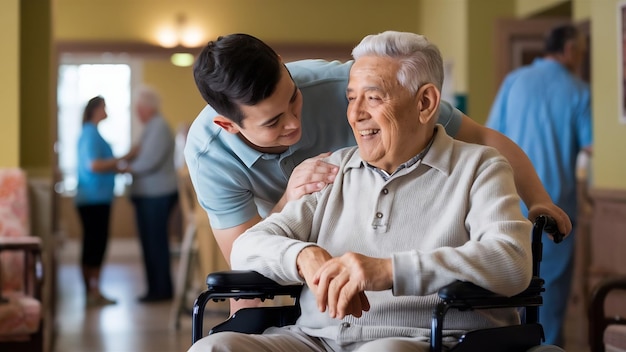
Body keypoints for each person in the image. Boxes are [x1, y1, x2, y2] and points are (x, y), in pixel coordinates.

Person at [188, 30, 534, 352]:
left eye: (373, 98)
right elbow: (247, 248)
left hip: (418, 338)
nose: (354, 114)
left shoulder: (480, 167)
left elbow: (511, 261)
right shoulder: (331, 169)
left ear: (425, 103)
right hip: (316, 340)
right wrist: (303, 256)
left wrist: (391, 270)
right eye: (351, 98)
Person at [486, 24, 592, 347]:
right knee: (548, 301)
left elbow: (490, 139)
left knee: (504, 297)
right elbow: (590, 151)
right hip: (555, 210)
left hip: (505, 205)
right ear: (571, 50)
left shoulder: (514, 82)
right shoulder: (579, 92)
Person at [75, 95, 137, 307]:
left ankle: (92, 291)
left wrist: (119, 167)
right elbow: (94, 165)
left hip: (95, 198)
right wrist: (124, 157)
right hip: (94, 199)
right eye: (104, 107)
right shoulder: (90, 134)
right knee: (95, 245)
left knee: (93, 244)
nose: (106, 110)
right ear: (95, 109)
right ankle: (93, 291)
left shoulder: (91, 133)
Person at [127, 85, 179, 302]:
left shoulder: (158, 127)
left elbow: (148, 162)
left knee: (156, 244)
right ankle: (155, 289)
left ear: (148, 108)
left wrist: (123, 167)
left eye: (139, 108)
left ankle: (161, 290)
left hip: (156, 195)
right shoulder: (152, 127)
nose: (137, 112)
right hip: (149, 194)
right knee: (150, 244)